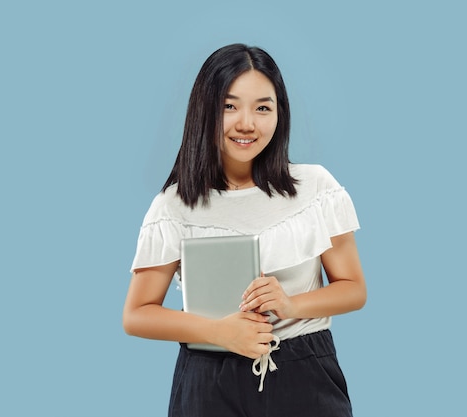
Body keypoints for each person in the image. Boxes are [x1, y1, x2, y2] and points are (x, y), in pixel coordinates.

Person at [123, 43, 367, 417]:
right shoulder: (174, 205)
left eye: (262, 107)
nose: (247, 123)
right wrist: (218, 332)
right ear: (205, 110)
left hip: (305, 371)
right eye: (229, 106)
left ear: (279, 113)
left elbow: (353, 289)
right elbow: (137, 313)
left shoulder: (316, 188)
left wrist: (289, 304)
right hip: (209, 377)